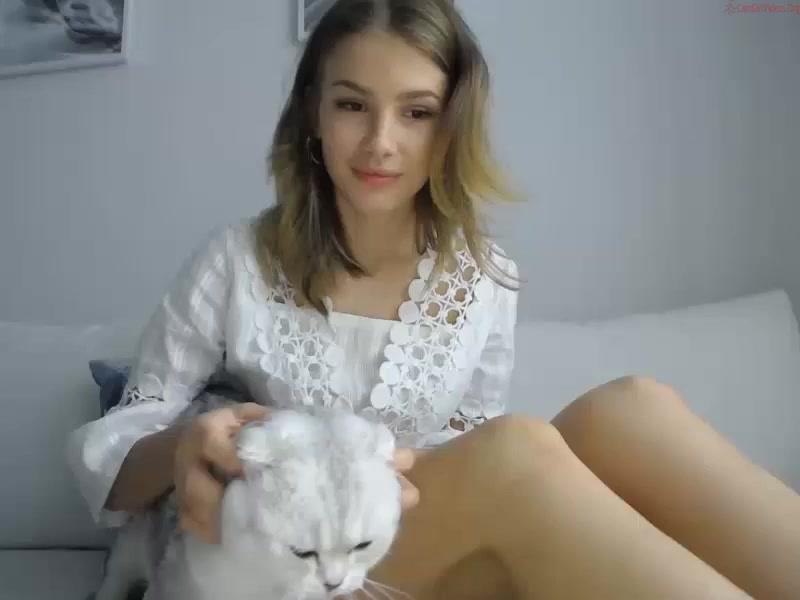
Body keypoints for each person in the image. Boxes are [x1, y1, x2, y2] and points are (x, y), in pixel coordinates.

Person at [67, 1, 800, 598]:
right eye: (352, 105)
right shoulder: (235, 261)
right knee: (515, 450)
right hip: (297, 570)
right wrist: (187, 445)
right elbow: (117, 451)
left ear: (452, 126)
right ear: (314, 114)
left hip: (418, 541)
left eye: (416, 112)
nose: (380, 142)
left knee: (629, 409)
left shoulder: (486, 276)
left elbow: (467, 442)